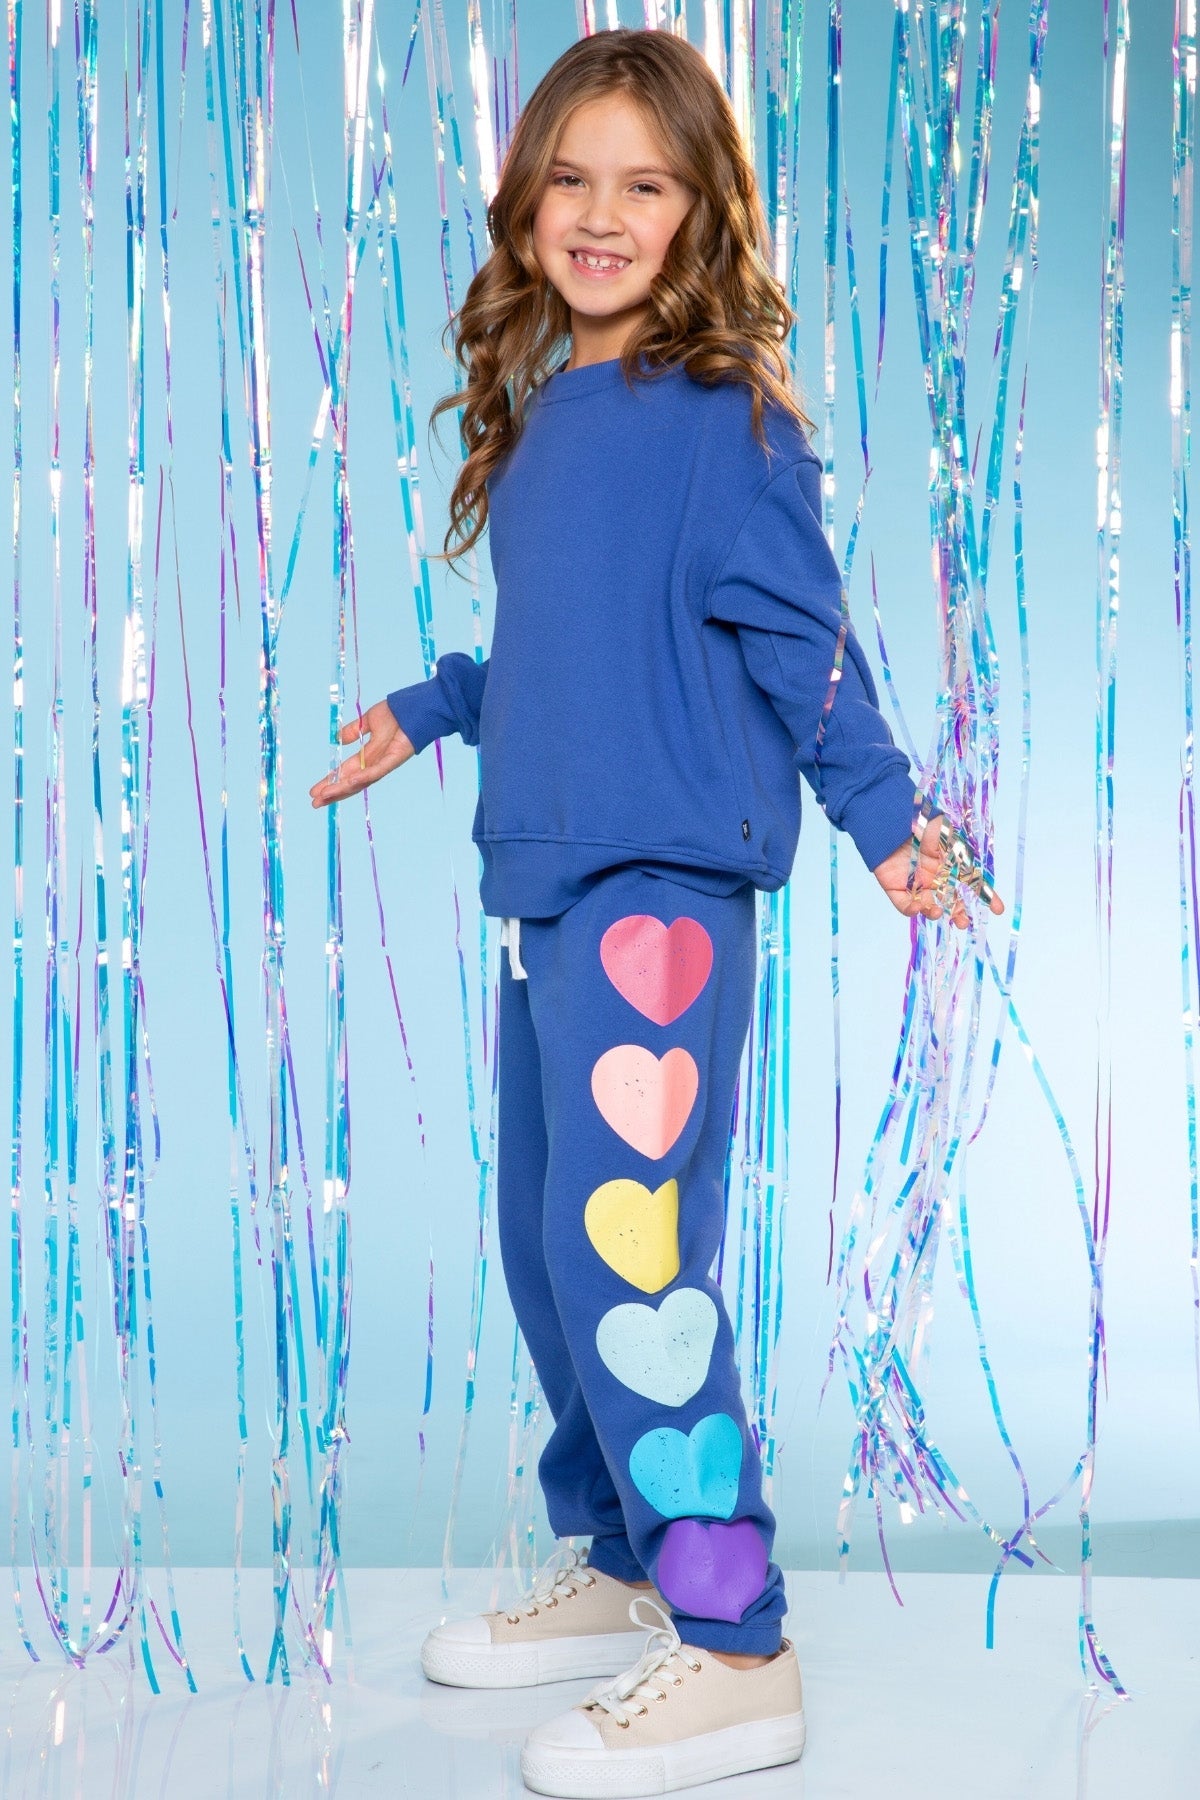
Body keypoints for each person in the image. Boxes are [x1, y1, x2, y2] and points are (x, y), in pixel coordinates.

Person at [309, 26, 1004, 1800]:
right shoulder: (554, 415)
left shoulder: (726, 424)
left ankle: (736, 1647)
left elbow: (805, 648)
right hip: (551, 900)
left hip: (660, 906)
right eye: (572, 178)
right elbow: (577, 652)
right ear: (526, 198)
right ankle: (629, 1561)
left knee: (629, 1262)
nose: (601, 214)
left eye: (646, 184)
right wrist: (436, 705)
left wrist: (887, 820)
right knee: (554, 1252)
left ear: (701, 215)